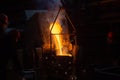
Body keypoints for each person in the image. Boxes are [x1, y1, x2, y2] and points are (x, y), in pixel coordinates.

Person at [0, 13, 23, 80]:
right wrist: (20, 70)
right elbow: (14, 56)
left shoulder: (4, 36)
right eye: (5, 24)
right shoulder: (7, 40)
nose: (6, 26)